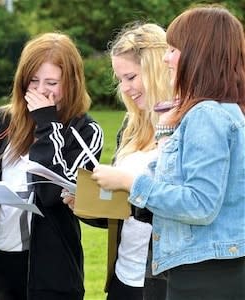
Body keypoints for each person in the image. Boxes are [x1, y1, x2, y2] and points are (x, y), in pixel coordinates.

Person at [92, 5, 245, 300]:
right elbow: (173, 178)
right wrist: (166, 128)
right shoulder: (219, 110)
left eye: (173, 48)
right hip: (207, 269)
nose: (166, 57)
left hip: (204, 275)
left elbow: (200, 204)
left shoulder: (206, 115)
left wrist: (129, 183)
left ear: (197, 55)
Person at [0, 32, 104, 300]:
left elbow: (53, 193)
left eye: (51, 82)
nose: (40, 90)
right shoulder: (0, 122)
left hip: (52, 270)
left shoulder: (86, 131)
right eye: (33, 81)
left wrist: (47, 124)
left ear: (71, 82)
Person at [104, 23, 171, 300]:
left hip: (165, 277)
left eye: (131, 77)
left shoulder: (188, 122)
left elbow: (189, 202)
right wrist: (88, 202)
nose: (125, 88)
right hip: (124, 274)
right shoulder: (131, 126)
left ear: (155, 68)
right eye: (120, 80)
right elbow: (122, 208)